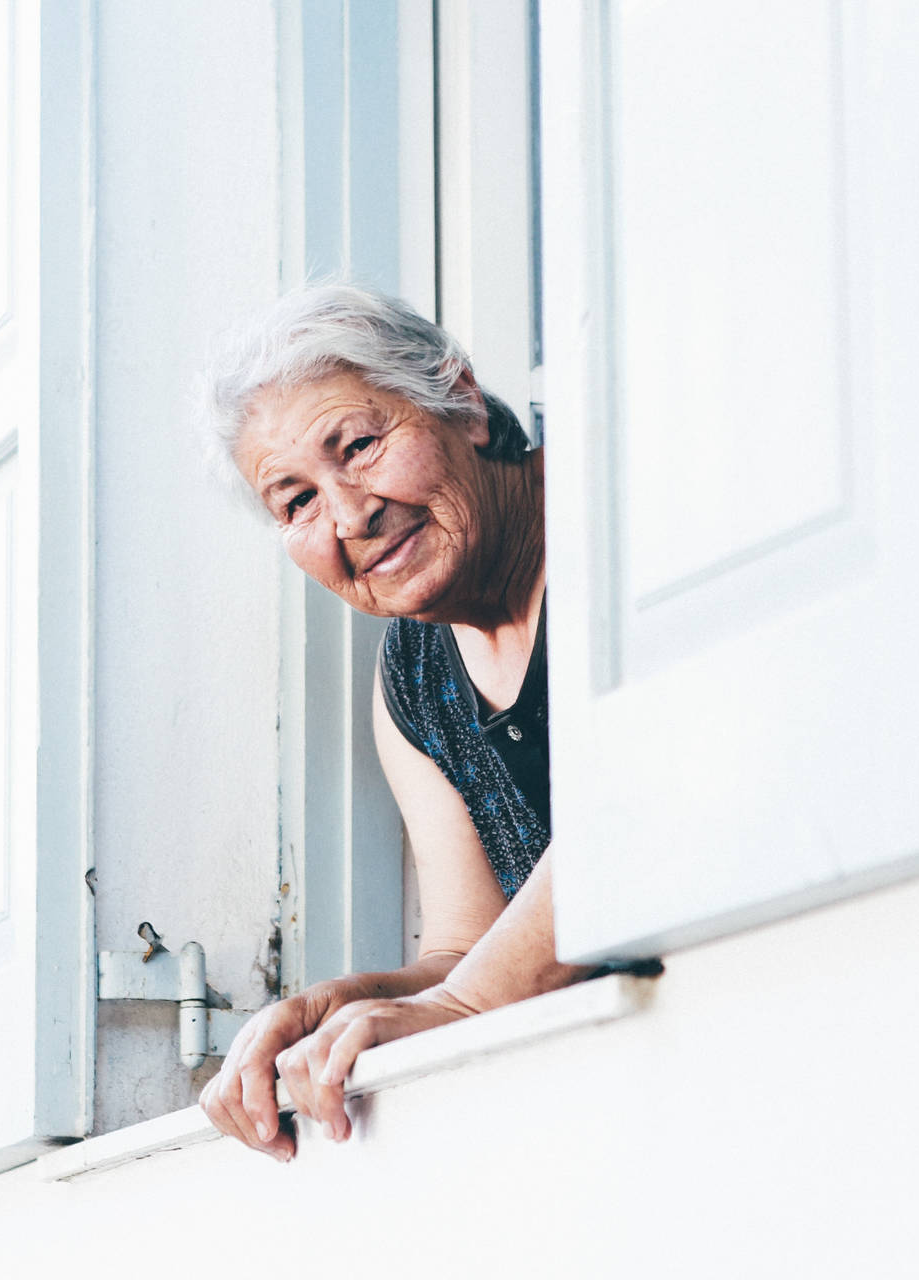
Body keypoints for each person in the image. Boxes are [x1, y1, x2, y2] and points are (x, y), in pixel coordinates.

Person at [197, 285, 590, 1161]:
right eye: (295, 500)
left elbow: (655, 788)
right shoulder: (413, 683)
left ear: (461, 401)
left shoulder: (617, 525)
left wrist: (460, 1009)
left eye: (361, 446)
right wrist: (321, 1013)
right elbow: (465, 949)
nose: (349, 516)